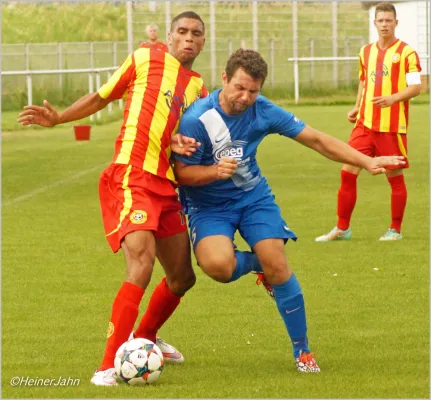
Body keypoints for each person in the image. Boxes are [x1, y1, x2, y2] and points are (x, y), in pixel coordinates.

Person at [173, 48, 405, 373]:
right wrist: (214, 172)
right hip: (208, 206)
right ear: (224, 79)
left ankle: (303, 351)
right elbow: (182, 174)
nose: (245, 97)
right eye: (239, 87)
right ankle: (261, 265)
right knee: (219, 267)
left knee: (279, 266)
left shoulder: (262, 110)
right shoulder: (197, 119)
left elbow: (316, 140)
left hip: (253, 199)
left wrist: (366, 161)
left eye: (253, 91)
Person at [18, 11, 207, 386]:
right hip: (132, 175)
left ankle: (145, 337)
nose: (189, 38)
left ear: (203, 42)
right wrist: (61, 118)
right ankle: (107, 365)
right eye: (182, 31)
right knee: (141, 261)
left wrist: (181, 144)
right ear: (170, 36)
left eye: (196, 33)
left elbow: (184, 134)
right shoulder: (144, 58)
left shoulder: (199, 88)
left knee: (182, 278)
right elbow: (102, 96)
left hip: (167, 185)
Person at [315, 2, 421, 242]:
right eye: (380, 20)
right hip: (364, 125)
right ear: (374, 23)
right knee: (347, 172)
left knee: (394, 177)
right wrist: (356, 106)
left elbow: (416, 87)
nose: (384, 25)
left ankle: (395, 230)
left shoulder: (407, 53)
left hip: (391, 127)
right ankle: (342, 229)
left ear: (396, 23)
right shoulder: (365, 52)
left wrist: (393, 98)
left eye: (388, 20)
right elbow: (364, 81)